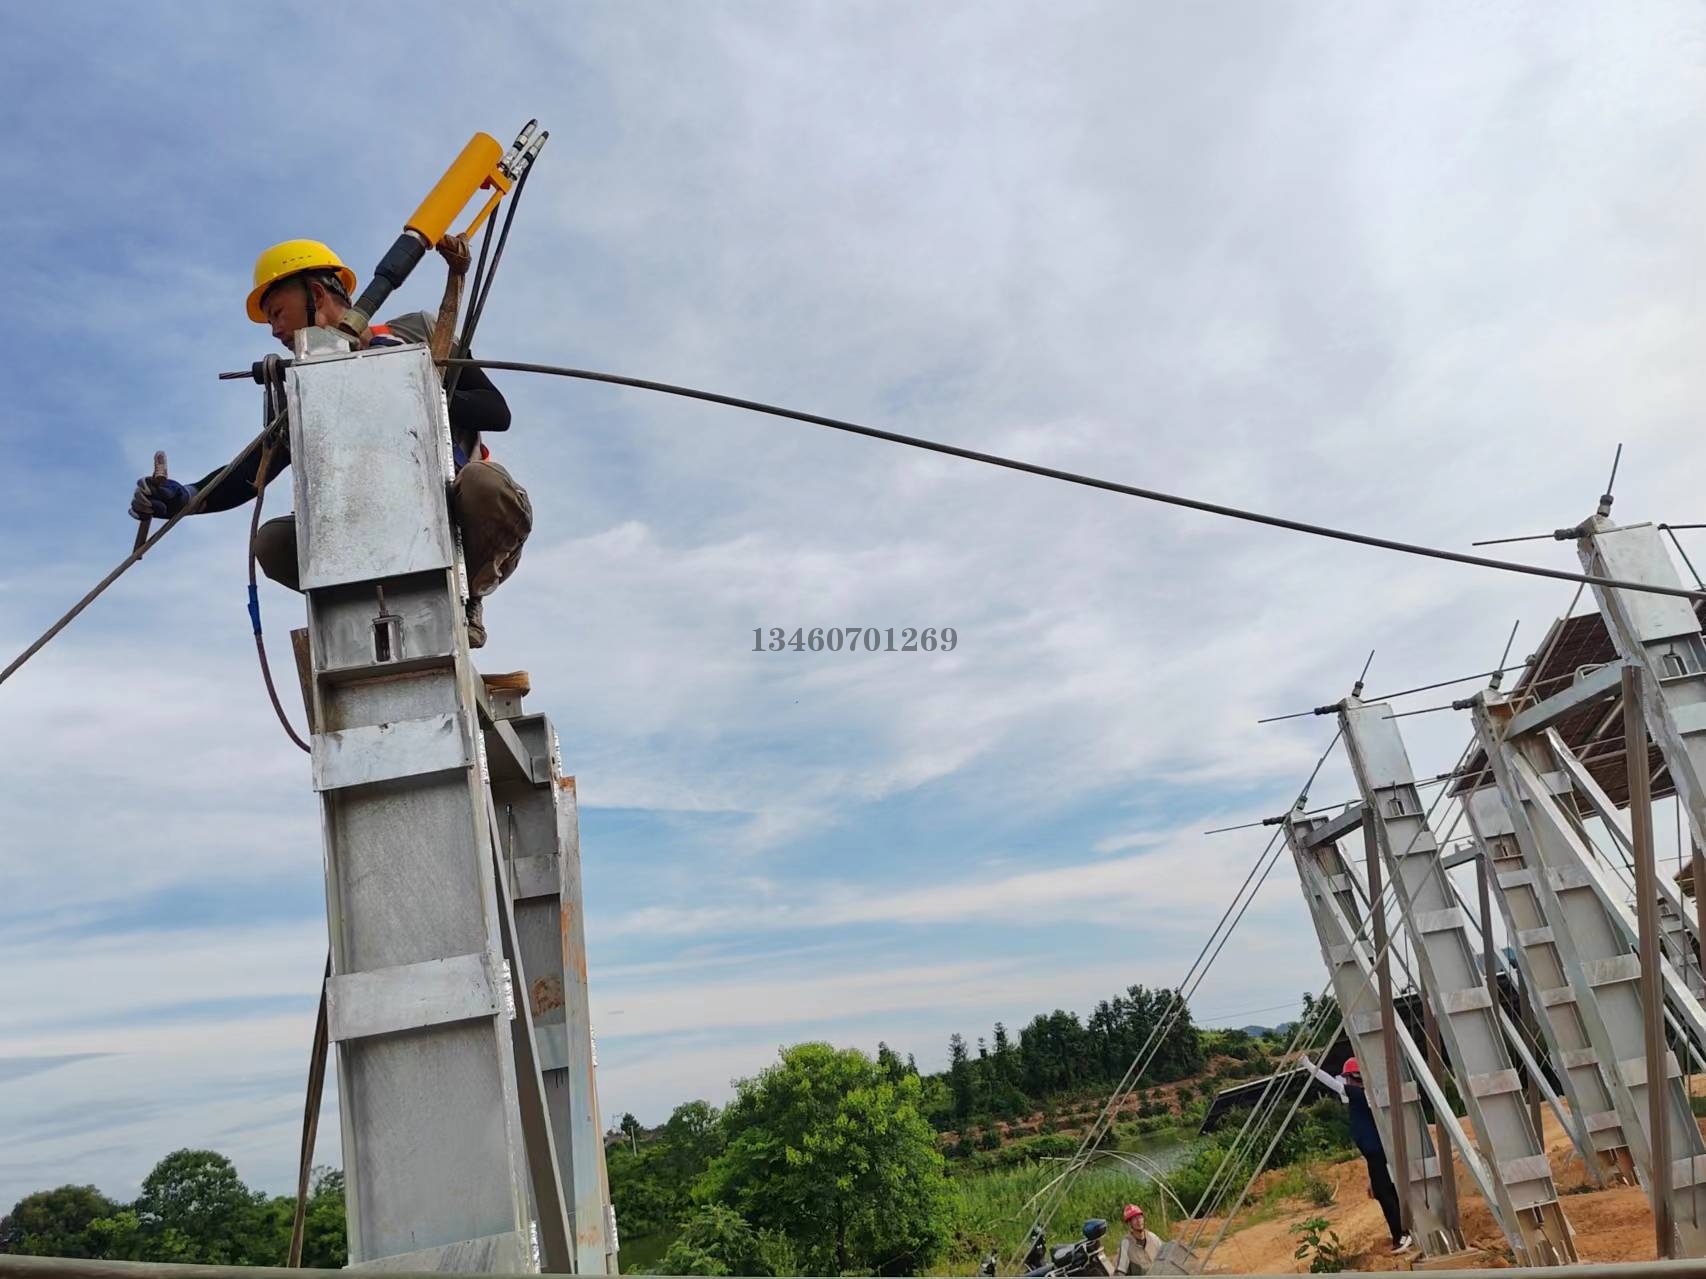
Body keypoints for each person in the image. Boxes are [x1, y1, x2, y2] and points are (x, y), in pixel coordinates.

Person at [128, 238, 531, 647]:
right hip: (372, 531)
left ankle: (468, 597)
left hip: (453, 512)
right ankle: (369, 618)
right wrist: (186, 498)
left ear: (317, 295)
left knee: (486, 484)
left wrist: (406, 376)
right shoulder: (307, 389)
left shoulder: (417, 332)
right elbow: (252, 472)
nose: (274, 330)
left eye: (277, 313)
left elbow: (496, 412)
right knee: (272, 542)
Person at [1299, 1053, 1412, 1254]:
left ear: (1356, 1078)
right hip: (1376, 1154)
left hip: (1378, 1153)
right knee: (1385, 1191)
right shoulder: (1367, 1097)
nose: (1346, 1081)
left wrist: (1307, 1065)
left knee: (1385, 1193)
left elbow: (1329, 1081)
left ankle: (1402, 1234)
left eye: (1349, 1077)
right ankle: (1403, 1232)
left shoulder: (1358, 1094)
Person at [1113, 1203, 1163, 1276]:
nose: (1138, 1221)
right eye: (1134, 1219)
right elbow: (1120, 1271)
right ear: (1129, 1223)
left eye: (1140, 1217)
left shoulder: (1153, 1238)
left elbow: (1165, 1255)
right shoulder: (1126, 1243)